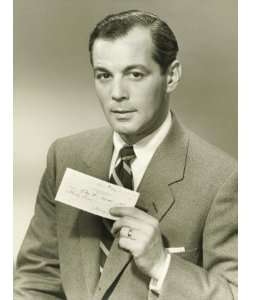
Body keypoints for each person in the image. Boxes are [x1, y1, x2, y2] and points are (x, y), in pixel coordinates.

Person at [14, 10, 237, 300]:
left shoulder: (223, 179)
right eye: (104, 75)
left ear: (171, 76)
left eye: (135, 74)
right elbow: (36, 279)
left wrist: (162, 265)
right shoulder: (65, 156)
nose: (117, 93)